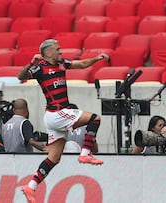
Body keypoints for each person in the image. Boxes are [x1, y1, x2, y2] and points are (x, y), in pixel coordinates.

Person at [17, 39, 109, 202]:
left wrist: (97, 59)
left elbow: (81, 64)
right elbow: (21, 76)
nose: (60, 52)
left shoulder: (61, 63)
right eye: (57, 49)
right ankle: (85, 154)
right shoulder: (40, 68)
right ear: (48, 53)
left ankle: (30, 186)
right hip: (58, 113)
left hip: (54, 116)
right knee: (95, 119)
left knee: (53, 158)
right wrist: (30, 63)